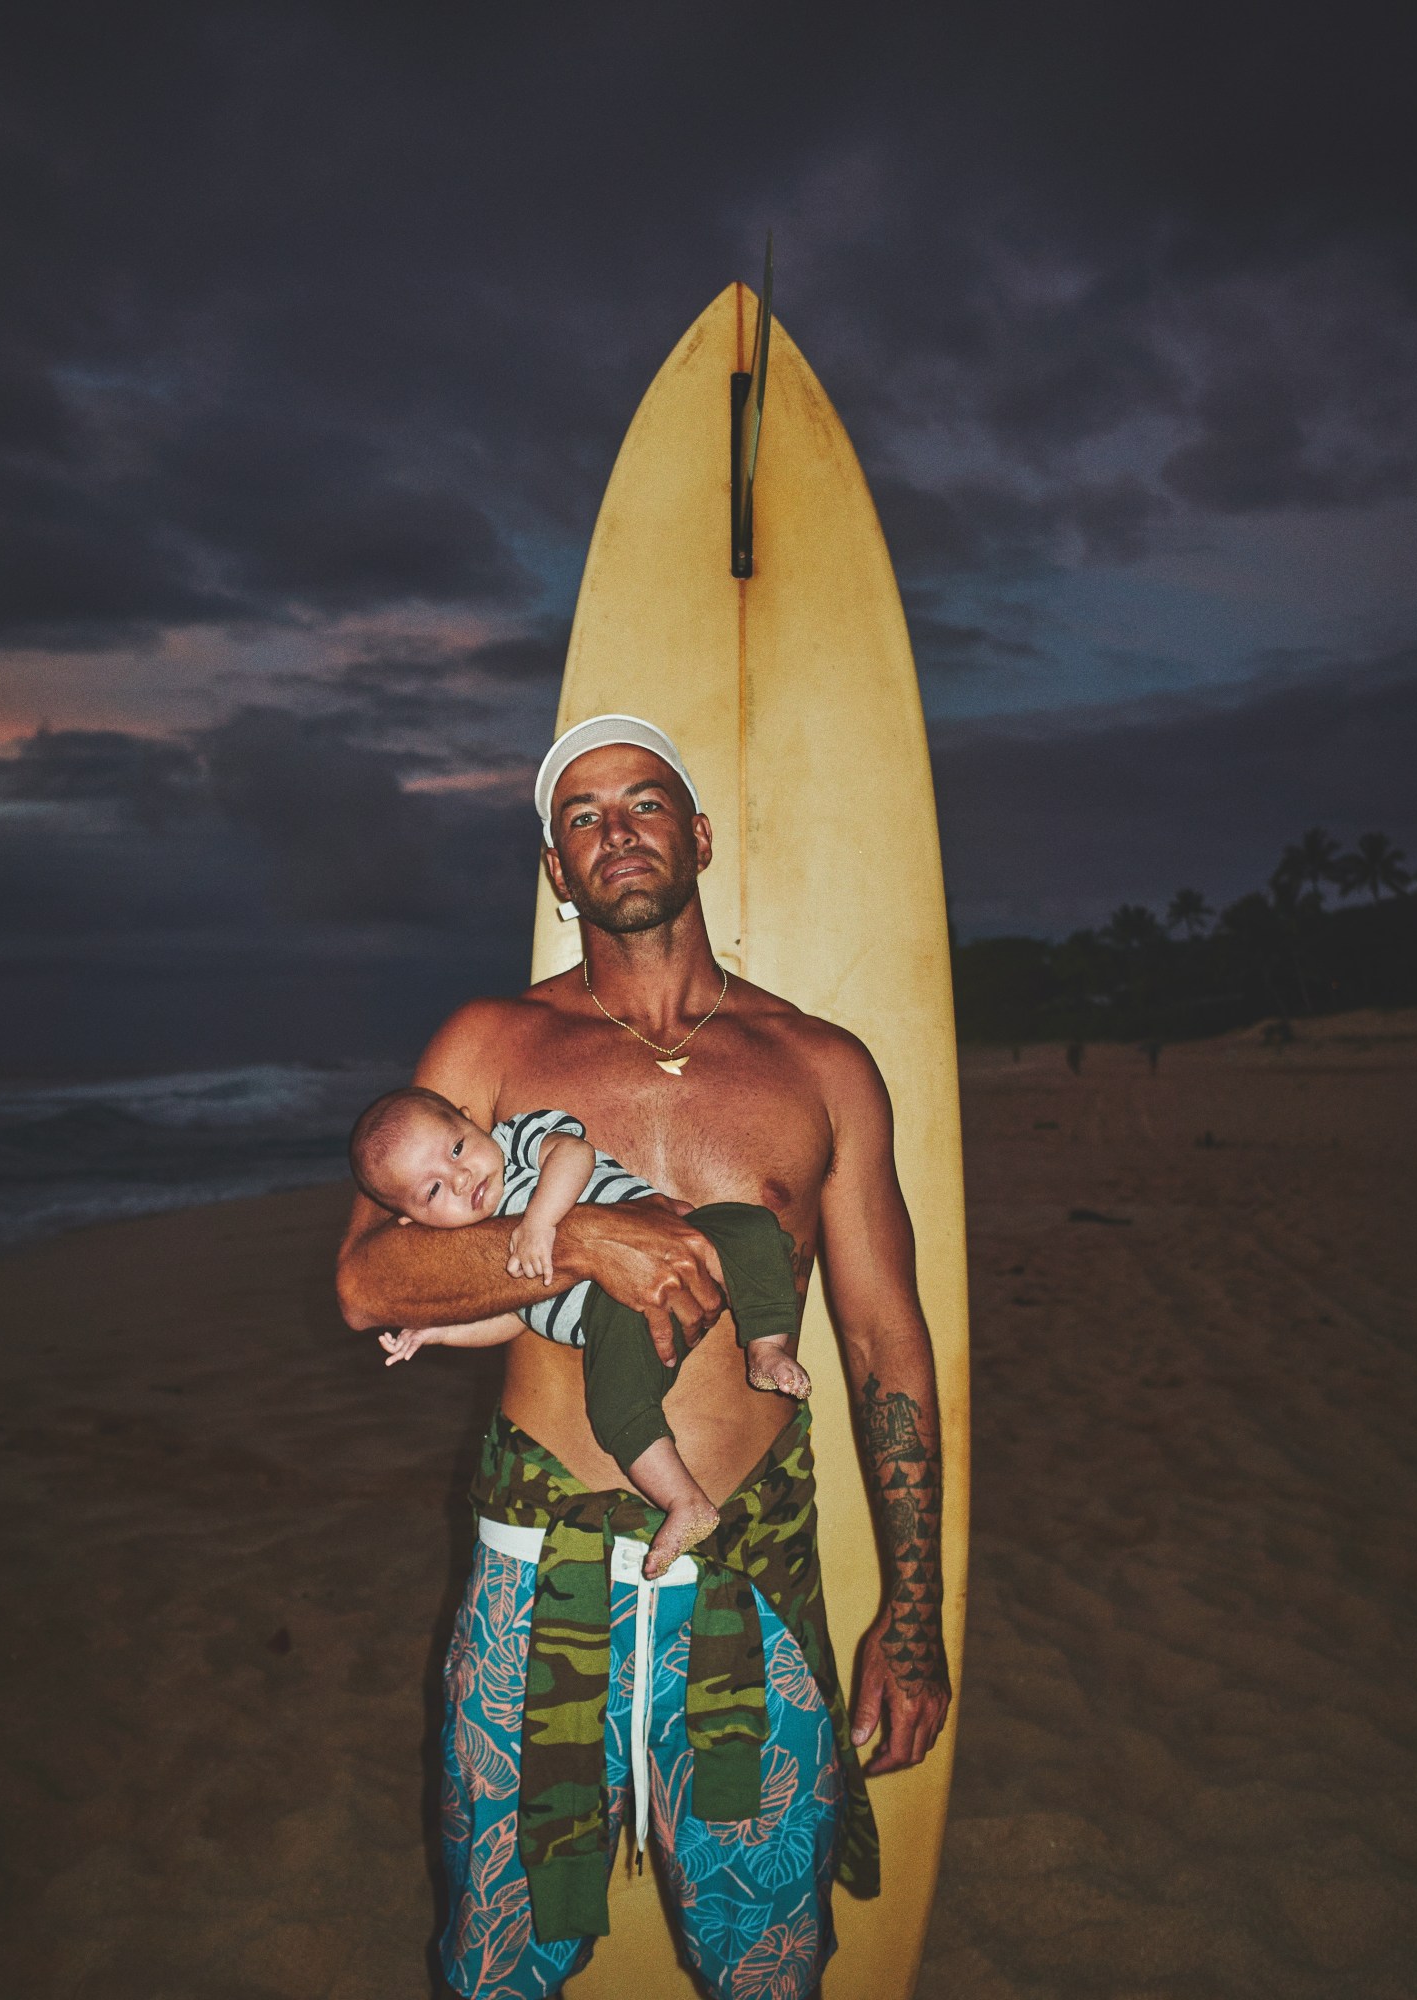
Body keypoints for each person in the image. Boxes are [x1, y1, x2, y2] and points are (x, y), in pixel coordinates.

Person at [337, 714, 950, 2000]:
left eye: (646, 802)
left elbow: (885, 1338)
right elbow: (368, 1278)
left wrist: (912, 1611)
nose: (617, 830)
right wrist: (581, 1240)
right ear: (558, 871)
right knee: (500, 1957)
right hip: (534, 1571)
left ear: (699, 835)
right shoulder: (492, 1045)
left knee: (766, 1954)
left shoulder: (821, 1063)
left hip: (752, 1574)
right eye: (584, 815)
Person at [347, 1085, 811, 1576]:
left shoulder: (514, 1140)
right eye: (433, 1190)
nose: (460, 1178)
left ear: (470, 1119)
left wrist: (543, 1224)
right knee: (616, 1406)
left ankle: (766, 1349)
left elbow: (573, 1152)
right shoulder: (475, 1249)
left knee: (754, 1228)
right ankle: (686, 1503)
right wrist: (439, 1332)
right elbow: (511, 1320)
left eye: (457, 1148)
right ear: (411, 1221)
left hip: (685, 1241)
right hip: (613, 1320)